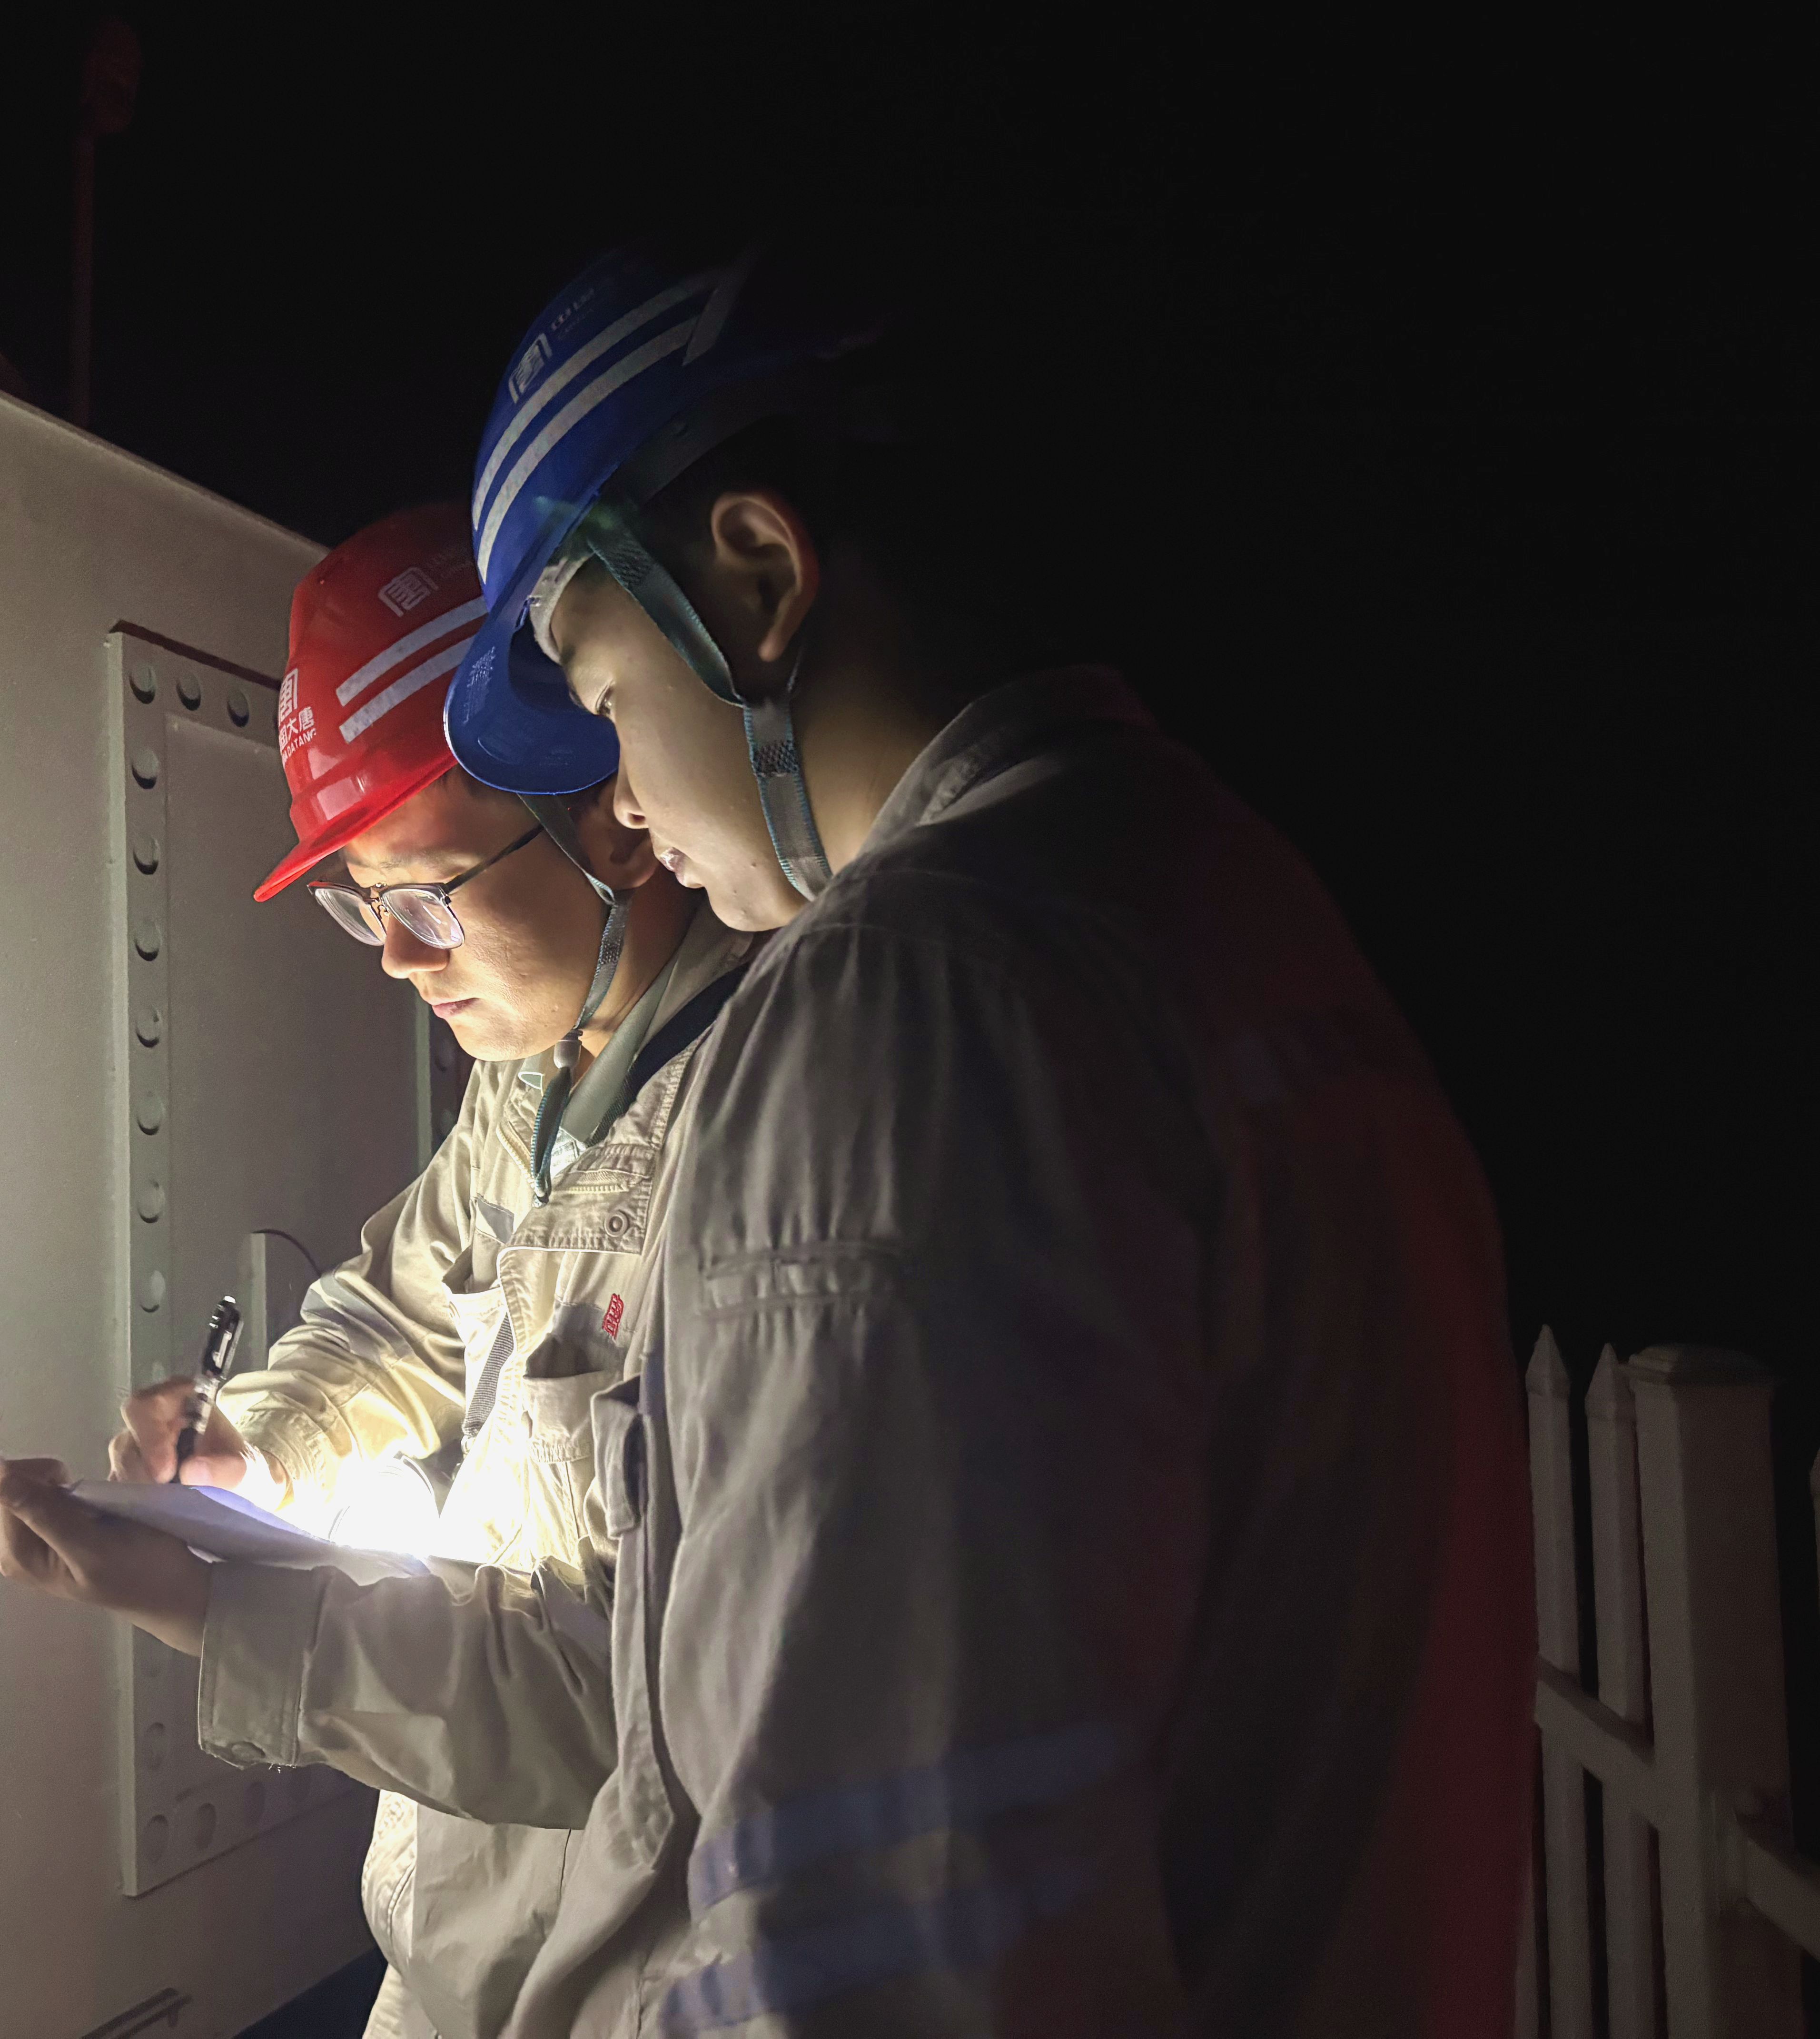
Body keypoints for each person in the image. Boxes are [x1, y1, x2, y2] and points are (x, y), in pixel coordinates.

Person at [429, 243, 1535, 2033]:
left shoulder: (911, 1002)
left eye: (612, 695)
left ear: (757, 574)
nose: (620, 793)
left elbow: (872, 1955)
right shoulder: (1222, 895)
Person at [0, 504, 749, 2039]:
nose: (393, 952)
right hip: (460, 1965)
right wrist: (262, 1442)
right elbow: (401, 1313)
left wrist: (202, 1602)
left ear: (617, 817)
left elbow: (619, 1705)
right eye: (361, 903)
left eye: (426, 894)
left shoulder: (759, 1134)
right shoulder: (538, 1076)